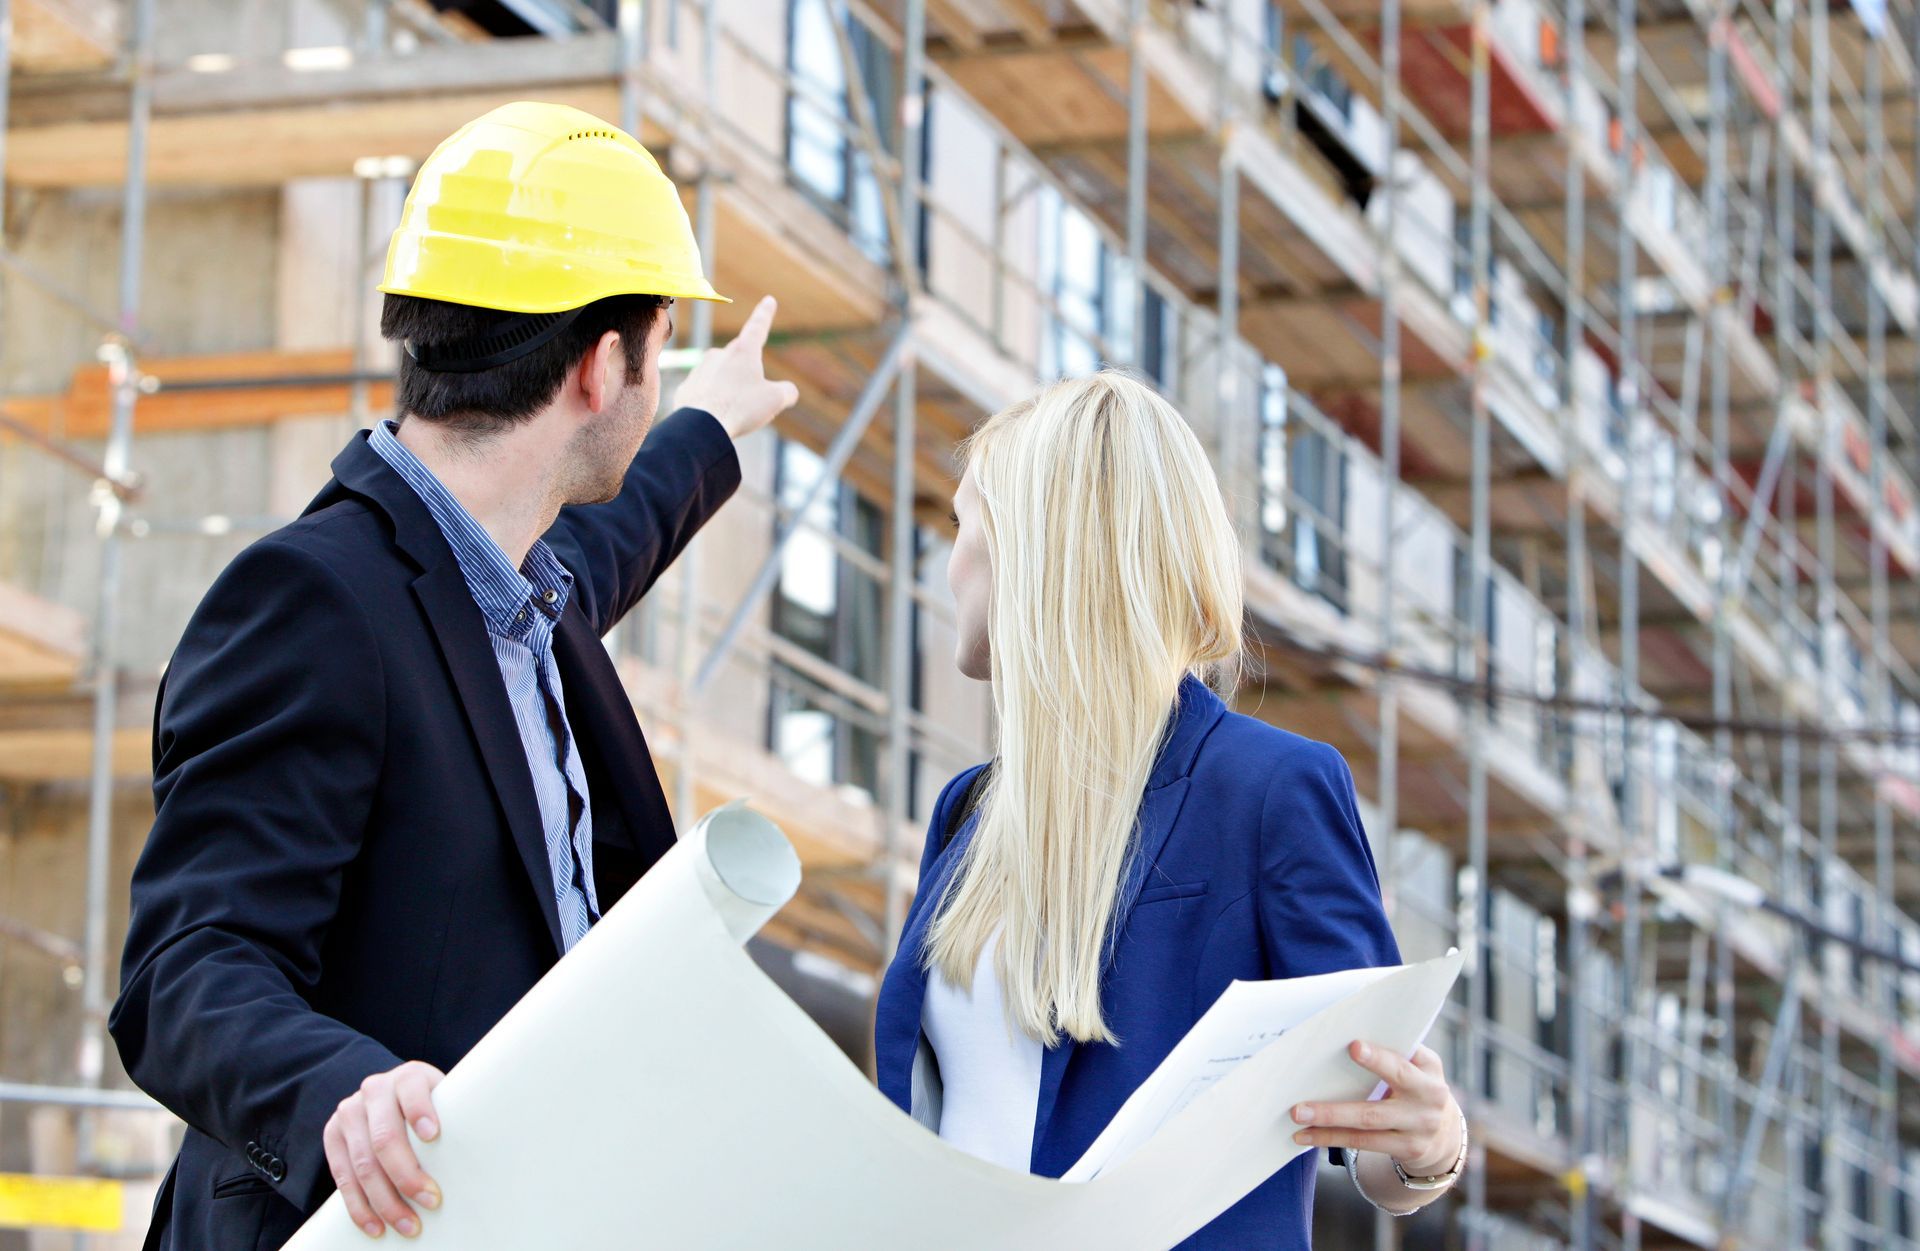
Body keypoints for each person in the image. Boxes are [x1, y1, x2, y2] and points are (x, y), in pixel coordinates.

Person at [109, 102, 799, 1249]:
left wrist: (709, 427)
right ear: (601, 367)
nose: (656, 382)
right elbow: (186, 972)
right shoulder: (313, 602)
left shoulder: (523, 594)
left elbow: (611, 538)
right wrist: (341, 1094)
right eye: (659, 349)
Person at [873, 371, 1468, 1247]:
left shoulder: (1269, 790)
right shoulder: (968, 813)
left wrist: (1432, 1144)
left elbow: (1370, 1110)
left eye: (964, 524)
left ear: (1036, 549)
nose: (948, 558)